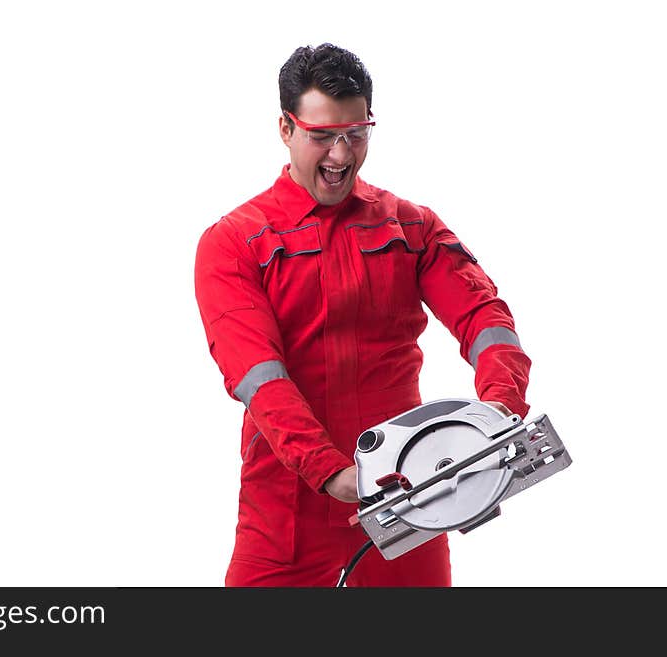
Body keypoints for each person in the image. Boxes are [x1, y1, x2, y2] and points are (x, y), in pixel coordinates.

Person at [193, 43, 531, 587]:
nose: (340, 155)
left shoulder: (409, 226)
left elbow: (484, 317)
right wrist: (332, 474)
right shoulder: (234, 243)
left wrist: (495, 415)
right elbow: (260, 379)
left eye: (355, 133)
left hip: (409, 507)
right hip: (286, 515)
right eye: (322, 135)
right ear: (285, 128)